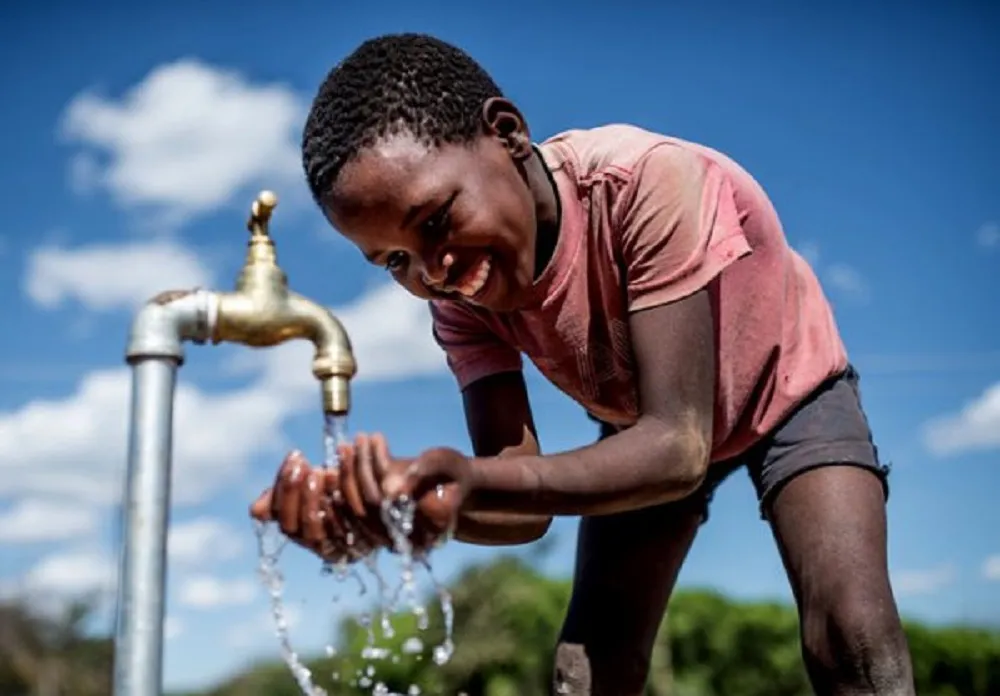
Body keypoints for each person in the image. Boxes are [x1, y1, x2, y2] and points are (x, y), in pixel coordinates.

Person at [249, 33, 915, 695]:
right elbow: (520, 502)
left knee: (851, 637)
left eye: (436, 221)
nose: (432, 272)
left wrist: (468, 483)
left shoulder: (645, 183)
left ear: (507, 133)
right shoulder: (461, 299)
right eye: (395, 261)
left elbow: (679, 447)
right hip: (641, 430)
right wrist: (407, 515)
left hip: (786, 390)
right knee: (585, 671)